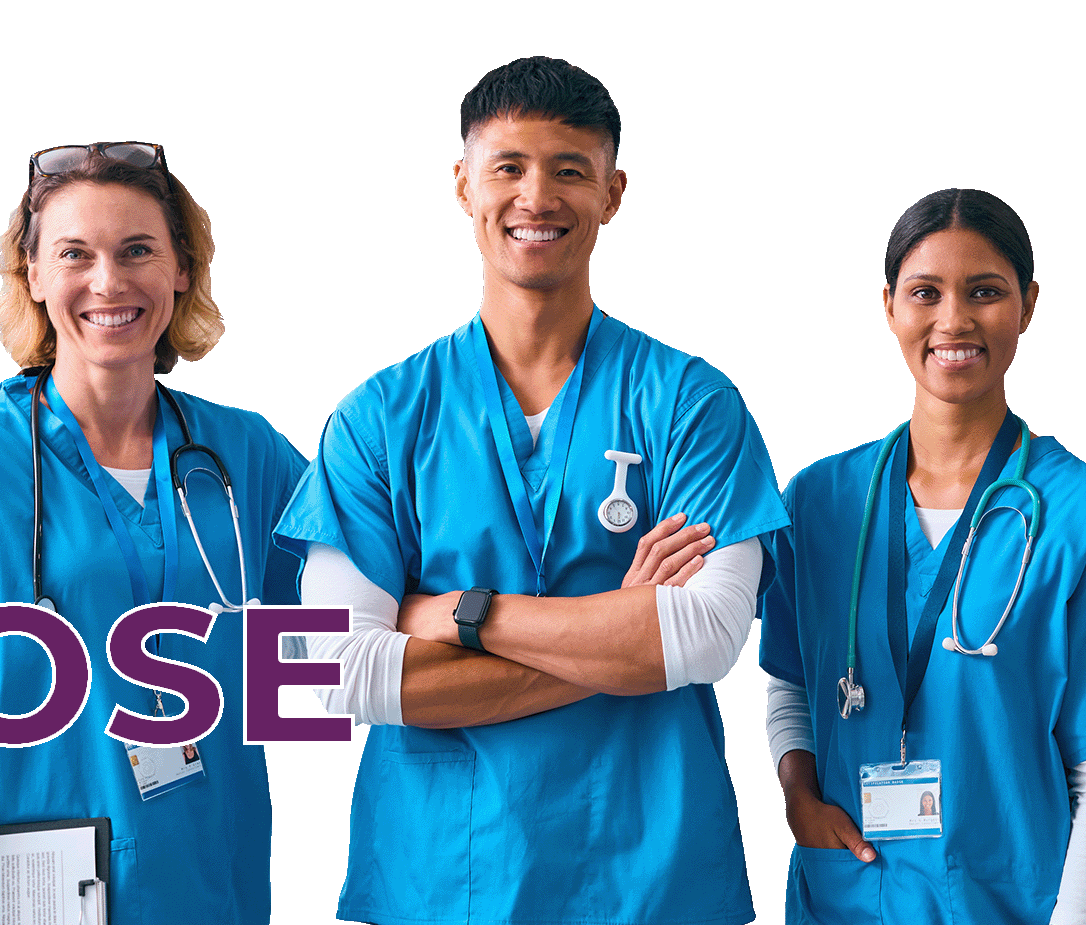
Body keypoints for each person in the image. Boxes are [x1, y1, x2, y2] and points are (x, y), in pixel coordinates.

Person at [275, 56, 788, 925]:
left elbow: (703, 637)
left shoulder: (690, 402)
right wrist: (620, 637)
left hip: (649, 875)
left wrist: (458, 612)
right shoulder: (380, 418)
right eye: (508, 167)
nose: (535, 196)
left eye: (568, 170)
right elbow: (332, 673)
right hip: (441, 878)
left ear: (613, 192)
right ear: (462, 184)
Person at [0, 143, 308, 925]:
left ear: (181, 269)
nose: (108, 281)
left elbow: (369, 607)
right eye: (75, 253)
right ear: (34, 276)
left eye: (137, 250)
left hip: (211, 892)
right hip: (25, 900)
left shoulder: (243, 454)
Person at [757, 188, 1086, 925]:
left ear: (1027, 305)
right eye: (925, 292)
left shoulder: (1081, 516)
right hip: (846, 896)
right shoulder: (819, 502)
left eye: (984, 292)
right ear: (888, 305)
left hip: (1011, 901)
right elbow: (787, 678)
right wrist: (797, 793)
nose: (953, 320)